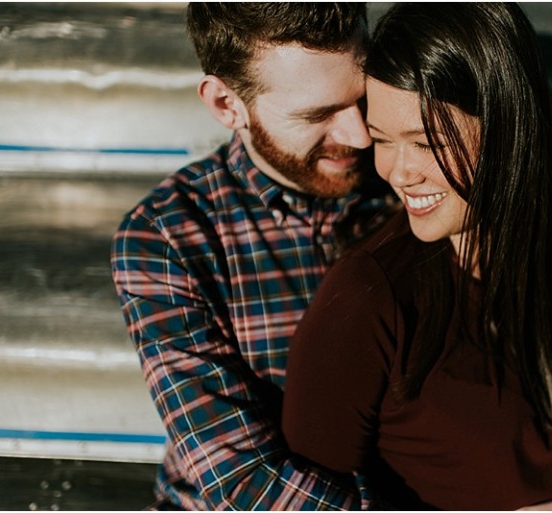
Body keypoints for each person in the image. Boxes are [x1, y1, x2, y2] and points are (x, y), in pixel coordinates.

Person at [282, 3, 552, 510]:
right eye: (382, 139)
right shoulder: (365, 299)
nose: (399, 173)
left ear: (508, 126)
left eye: (426, 142)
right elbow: (309, 500)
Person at [110, 3, 396, 509]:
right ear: (226, 104)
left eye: (363, 95)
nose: (361, 134)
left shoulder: (411, 177)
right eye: (318, 114)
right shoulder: (169, 236)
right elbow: (244, 481)